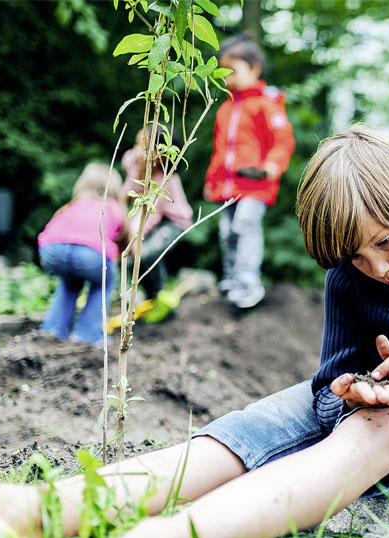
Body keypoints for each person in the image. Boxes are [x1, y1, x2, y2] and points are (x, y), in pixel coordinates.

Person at [0, 124, 389, 538]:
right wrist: (346, 393)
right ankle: (22, 510)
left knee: (380, 426)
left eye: (384, 242)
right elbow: (328, 384)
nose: (377, 269)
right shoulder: (347, 275)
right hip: (353, 404)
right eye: (356, 256)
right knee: (240, 433)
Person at [203, 34, 295, 309]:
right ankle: (231, 279)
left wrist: (270, 167)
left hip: (255, 184)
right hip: (227, 187)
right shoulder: (224, 109)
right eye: (224, 72)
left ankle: (247, 283)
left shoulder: (267, 104)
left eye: (234, 71)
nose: (228, 77)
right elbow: (220, 150)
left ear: (254, 68)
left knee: (245, 225)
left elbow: (282, 142)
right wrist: (212, 179)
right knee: (227, 232)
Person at [36, 162, 130, 347]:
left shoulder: (72, 205)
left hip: (51, 250)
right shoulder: (112, 207)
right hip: (91, 255)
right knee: (104, 282)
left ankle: (52, 330)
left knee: (70, 281)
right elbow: (126, 240)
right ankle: (86, 334)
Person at [122, 125, 194, 299]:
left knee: (144, 254)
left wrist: (131, 237)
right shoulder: (133, 161)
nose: (138, 152)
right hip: (146, 215)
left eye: (145, 148)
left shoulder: (164, 181)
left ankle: (156, 294)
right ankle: (140, 294)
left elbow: (149, 216)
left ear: (162, 155)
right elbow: (126, 193)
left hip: (173, 222)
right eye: (136, 145)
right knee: (132, 257)